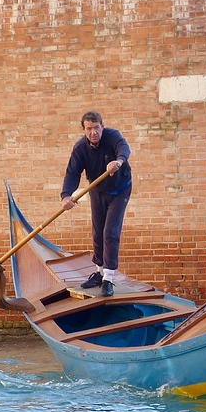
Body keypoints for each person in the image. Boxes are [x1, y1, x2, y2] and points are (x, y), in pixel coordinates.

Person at [61, 111, 132, 297]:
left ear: (102, 126)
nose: (94, 132)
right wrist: (66, 196)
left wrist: (118, 161)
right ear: (84, 130)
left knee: (111, 231)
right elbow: (72, 173)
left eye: (97, 128)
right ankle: (99, 272)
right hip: (98, 190)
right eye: (89, 129)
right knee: (97, 231)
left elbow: (123, 148)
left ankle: (109, 277)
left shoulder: (112, 136)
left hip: (120, 190)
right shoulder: (80, 149)